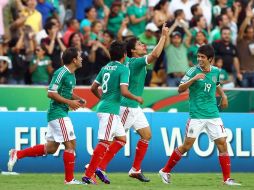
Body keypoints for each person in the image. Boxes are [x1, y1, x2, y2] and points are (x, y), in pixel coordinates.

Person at [94, 24, 169, 183]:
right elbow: (155, 54)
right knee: (117, 140)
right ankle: (97, 168)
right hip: (127, 106)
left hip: (134, 108)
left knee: (146, 135)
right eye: (140, 44)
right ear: (133, 51)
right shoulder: (136, 62)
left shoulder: (127, 60)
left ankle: (135, 169)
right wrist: (163, 36)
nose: (144, 45)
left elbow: (121, 48)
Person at [158, 44, 241, 186]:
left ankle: (227, 179)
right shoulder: (192, 71)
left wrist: (224, 96)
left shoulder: (215, 71)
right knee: (187, 145)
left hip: (213, 114)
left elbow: (217, 84)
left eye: (202, 57)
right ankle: (165, 170)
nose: (199, 59)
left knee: (222, 144)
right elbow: (180, 89)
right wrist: (194, 79)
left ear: (210, 59)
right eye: (198, 56)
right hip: (196, 115)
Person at [7, 47, 86, 185]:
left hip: (60, 112)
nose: (81, 58)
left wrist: (78, 99)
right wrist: (69, 102)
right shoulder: (61, 73)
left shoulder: (72, 75)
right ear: (74, 60)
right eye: (79, 56)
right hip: (57, 112)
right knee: (71, 144)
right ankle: (69, 180)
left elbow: (66, 92)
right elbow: (50, 92)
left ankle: (17, 154)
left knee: (52, 148)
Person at [82, 40, 143, 184]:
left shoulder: (105, 67)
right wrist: (136, 98)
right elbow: (124, 91)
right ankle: (88, 174)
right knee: (104, 142)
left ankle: (96, 169)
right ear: (124, 55)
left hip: (108, 109)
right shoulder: (123, 69)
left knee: (122, 139)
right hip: (109, 111)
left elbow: (93, 88)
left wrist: (103, 98)